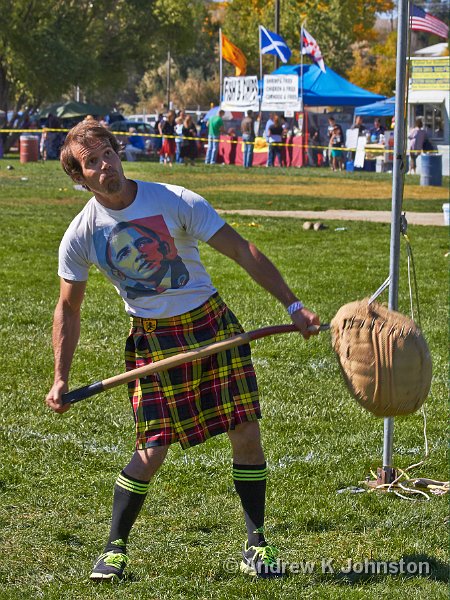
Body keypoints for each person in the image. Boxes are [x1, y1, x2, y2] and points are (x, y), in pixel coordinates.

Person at [45, 120, 320, 583]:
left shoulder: (173, 199)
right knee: (152, 449)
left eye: (108, 153)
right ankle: (114, 550)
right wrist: (60, 377)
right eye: (92, 162)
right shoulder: (81, 234)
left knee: (246, 432)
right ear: (80, 177)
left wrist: (292, 305)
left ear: (118, 152)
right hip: (152, 339)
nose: (105, 165)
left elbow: (240, 249)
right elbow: (67, 311)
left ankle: (257, 546)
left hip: (209, 325)